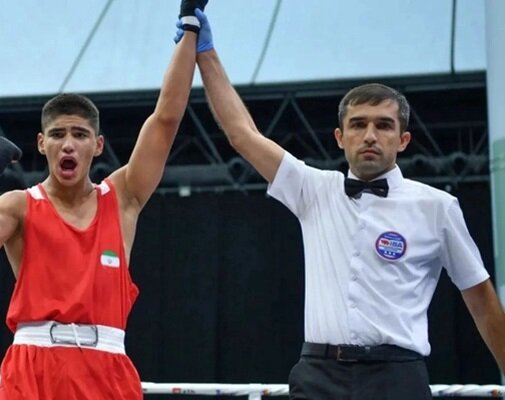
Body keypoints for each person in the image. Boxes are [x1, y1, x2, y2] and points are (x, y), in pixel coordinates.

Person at [186, 8, 505, 400]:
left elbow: (481, 300)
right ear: (340, 136)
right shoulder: (314, 189)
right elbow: (242, 134)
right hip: (318, 375)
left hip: (397, 377)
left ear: (403, 140)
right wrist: (205, 50)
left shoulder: (437, 207)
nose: (370, 135)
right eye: (358, 124)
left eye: (383, 125)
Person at [0, 1, 207, 398]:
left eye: (80, 135)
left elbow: (166, 120)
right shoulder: (18, 205)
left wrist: (188, 26)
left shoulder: (122, 197)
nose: (68, 144)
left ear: (97, 145)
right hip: (32, 364)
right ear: (42, 143)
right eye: (58, 134)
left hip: (107, 366)